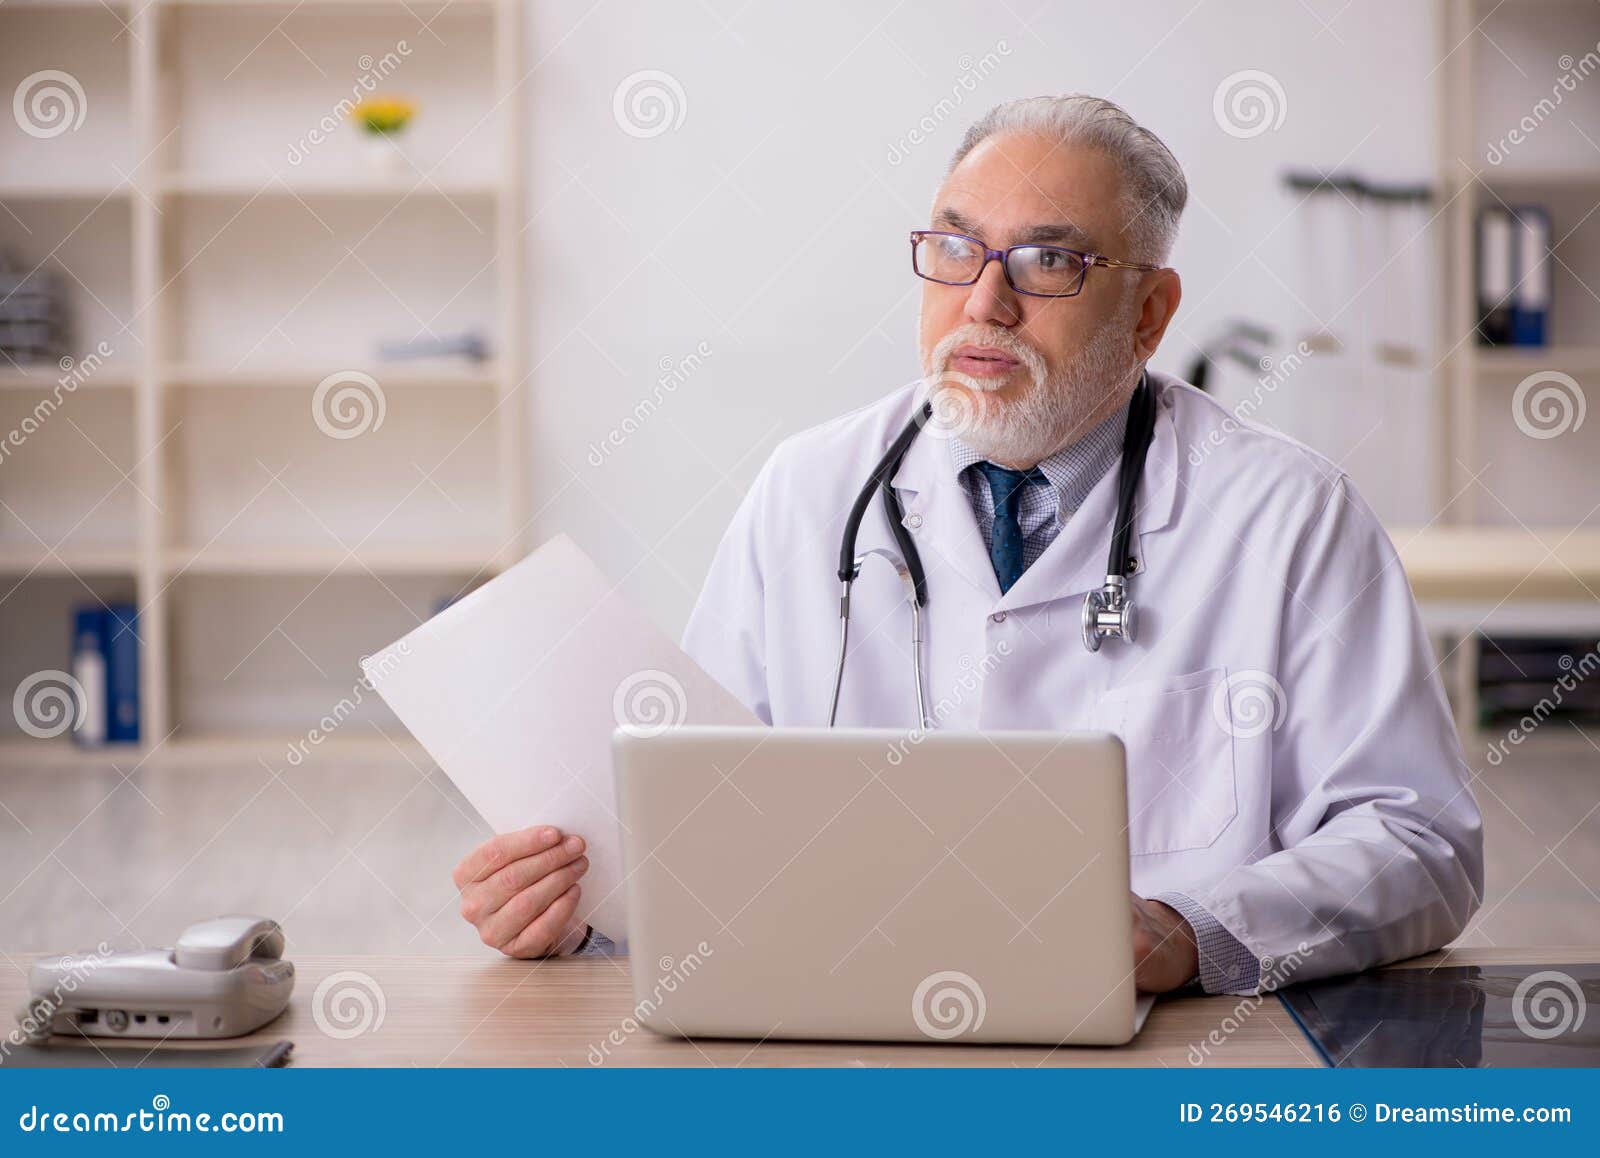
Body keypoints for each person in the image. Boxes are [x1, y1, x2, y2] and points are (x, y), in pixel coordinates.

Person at [453, 94, 1483, 995]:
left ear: (1150, 312)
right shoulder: (808, 493)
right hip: (842, 1045)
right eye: (955, 248)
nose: (983, 303)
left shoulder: (1288, 515)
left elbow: (1416, 842)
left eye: (1049, 261)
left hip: (1160, 1062)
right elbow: (699, 827)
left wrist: (1189, 933)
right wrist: (578, 909)